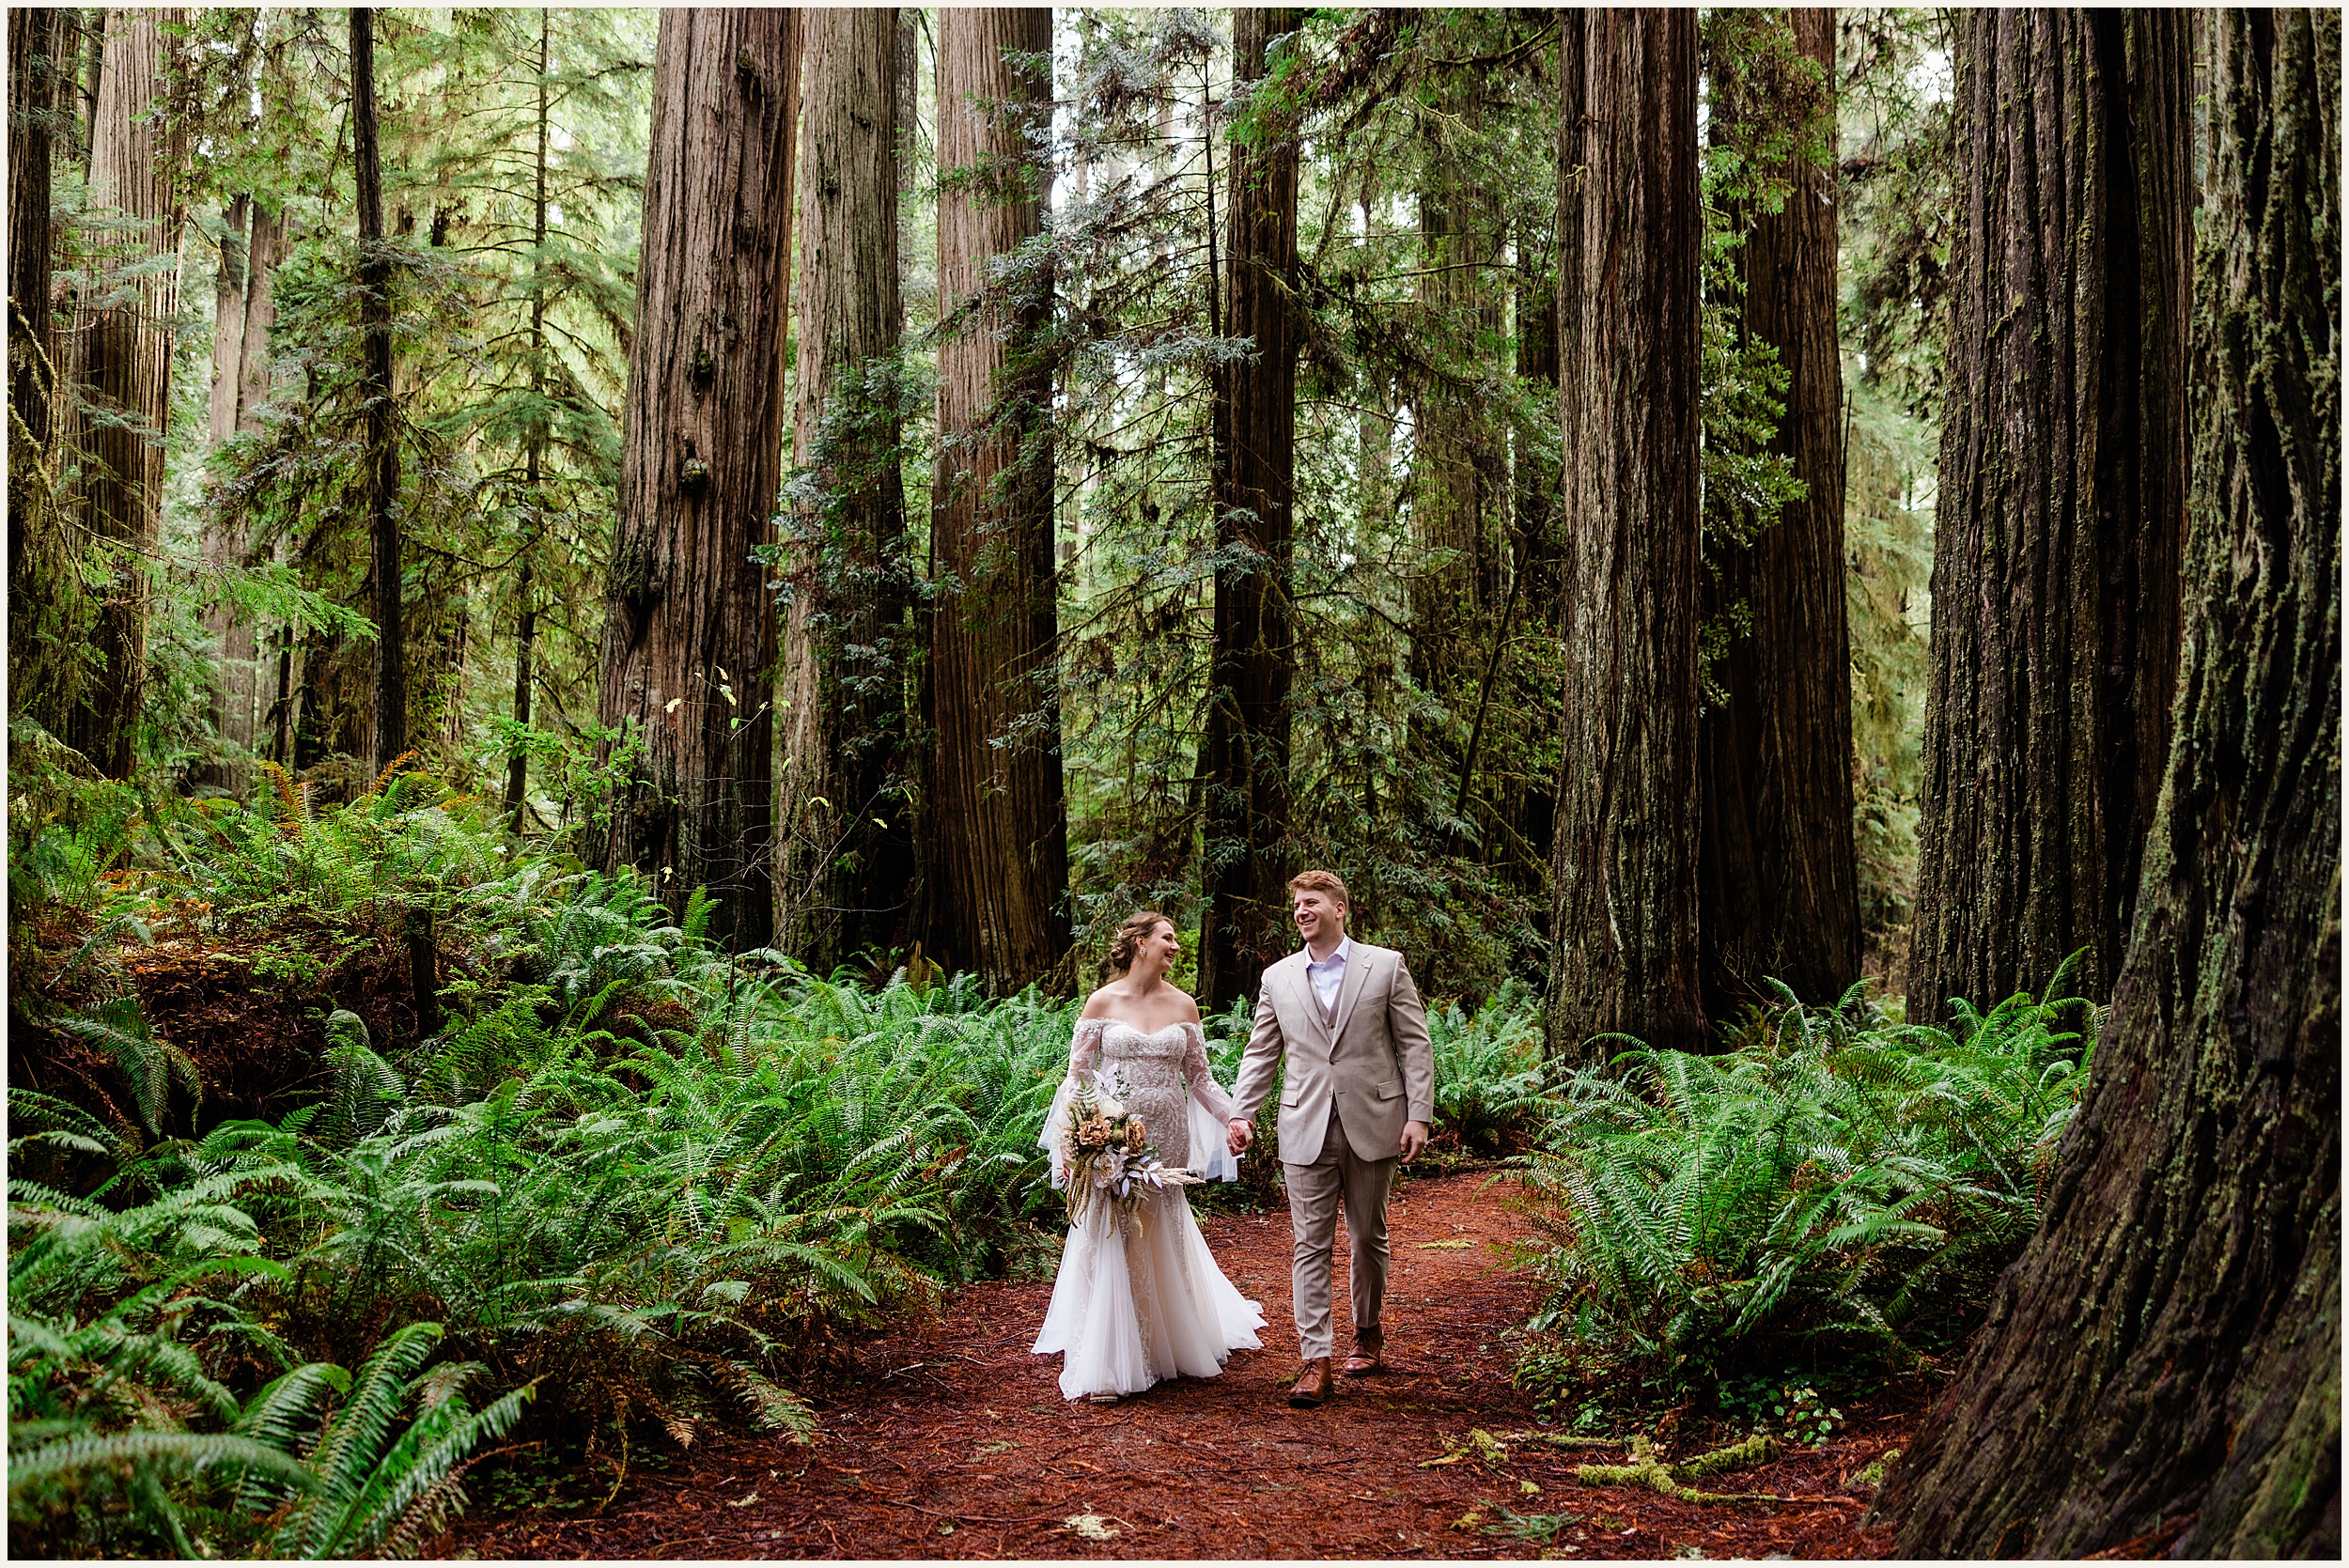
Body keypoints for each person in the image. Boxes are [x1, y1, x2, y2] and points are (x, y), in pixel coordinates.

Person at [1032, 912, 1266, 1403]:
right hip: (1112, 1137)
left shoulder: (1184, 1005)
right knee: (1114, 1231)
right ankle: (1114, 1356)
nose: (1175, 946)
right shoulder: (1102, 1001)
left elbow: (1200, 1081)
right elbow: (1078, 1078)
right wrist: (1078, 1139)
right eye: (1168, 937)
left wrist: (1234, 1118)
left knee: (1157, 1227)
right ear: (1140, 943)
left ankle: (1166, 1338)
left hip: (1168, 1136)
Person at [1225, 870, 1434, 1408]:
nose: (1301, 911)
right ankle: (1314, 1360)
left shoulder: (1384, 966)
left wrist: (1419, 1116)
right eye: (1296, 904)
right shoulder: (1278, 978)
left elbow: (1414, 1044)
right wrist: (1242, 1113)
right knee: (1308, 1245)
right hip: (1304, 1124)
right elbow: (1260, 1052)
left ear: (1340, 908)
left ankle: (1367, 1333)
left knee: (1367, 1237)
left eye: (1311, 902)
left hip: (1374, 1121)